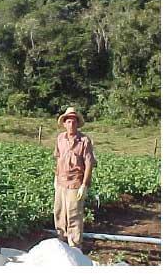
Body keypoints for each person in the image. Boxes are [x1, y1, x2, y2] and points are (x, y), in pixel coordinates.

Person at [53, 107, 97, 249]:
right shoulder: (60, 138)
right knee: (59, 212)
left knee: (74, 215)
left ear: (77, 124)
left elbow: (89, 163)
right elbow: (58, 158)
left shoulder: (84, 141)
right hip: (61, 182)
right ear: (64, 124)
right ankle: (61, 241)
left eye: (73, 121)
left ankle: (75, 246)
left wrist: (84, 185)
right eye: (68, 121)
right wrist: (56, 178)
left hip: (75, 183)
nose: (71, 124)